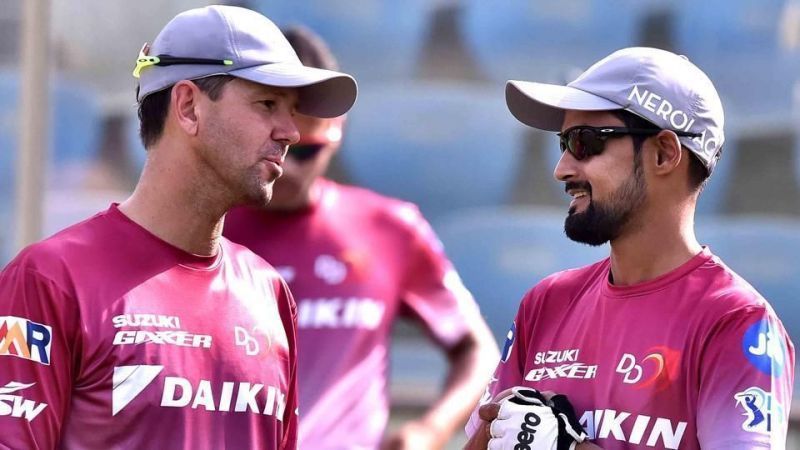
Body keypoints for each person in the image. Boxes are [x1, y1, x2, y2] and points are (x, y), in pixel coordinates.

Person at [0, 6, 356, 449]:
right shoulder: (51, 279)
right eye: (267, 104)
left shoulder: (269, 292)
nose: (291, 132)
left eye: (292, 111)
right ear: (187, 107)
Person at [465, 47, 795, 449]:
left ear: (664, 153)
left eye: (584, 142)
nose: (562, 169)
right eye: (563, 143)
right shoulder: (546, 302)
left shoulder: (737, 323)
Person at [223, 26, 499, 450]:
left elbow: (476, 349)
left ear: (337, 129)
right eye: (273, 146)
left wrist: (431, 430)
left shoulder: (390, 227)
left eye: (305, 150)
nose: (288, 168)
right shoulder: (207, 230)